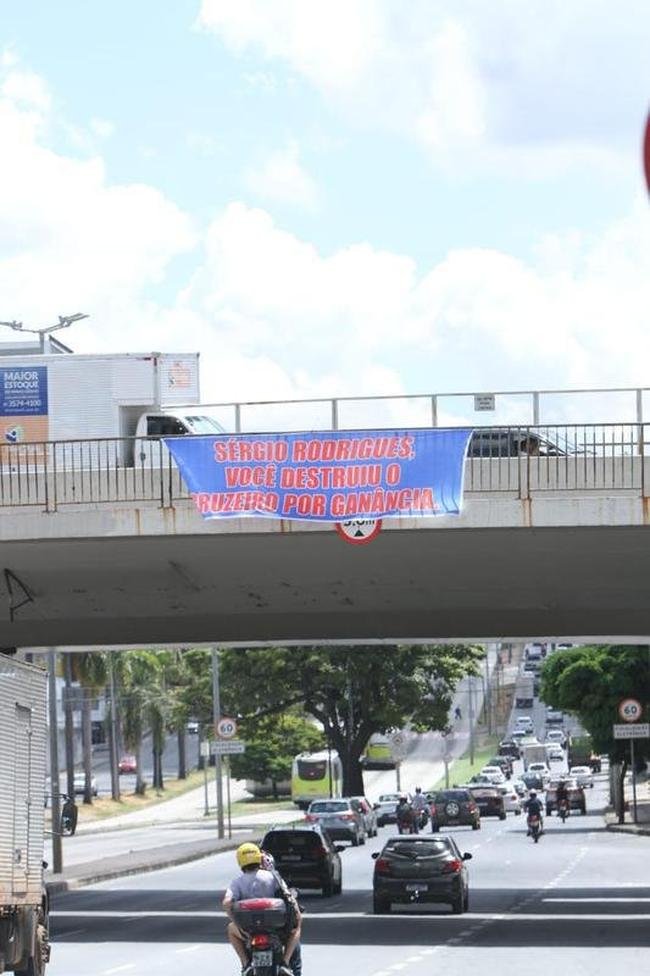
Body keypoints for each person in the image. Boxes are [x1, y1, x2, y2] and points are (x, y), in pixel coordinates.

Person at [223, 843, 301, 976]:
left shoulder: (237, 882)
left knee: (231, 929)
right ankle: (285, 964)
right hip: (277, 928)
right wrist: (297, 914)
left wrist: (237, 924)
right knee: (296, 928)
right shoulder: (273, 876)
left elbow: (227, 902)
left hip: (248, 930)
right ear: (259, 858)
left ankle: (246, 964)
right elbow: (288, 896)